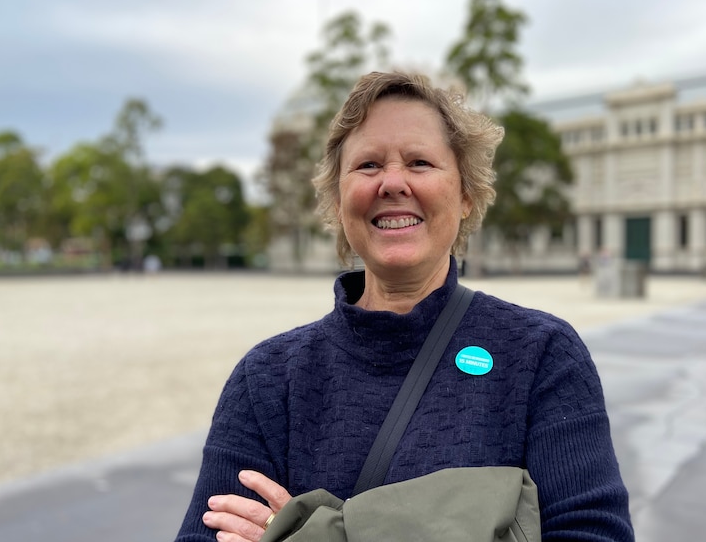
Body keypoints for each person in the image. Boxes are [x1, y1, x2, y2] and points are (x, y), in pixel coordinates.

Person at [175, 71, 634, 541]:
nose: (392, 182)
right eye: (368, 165)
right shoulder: (269, 378)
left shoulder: (541, 356)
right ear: (338, 198)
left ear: (466, 195)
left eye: (419, 162)